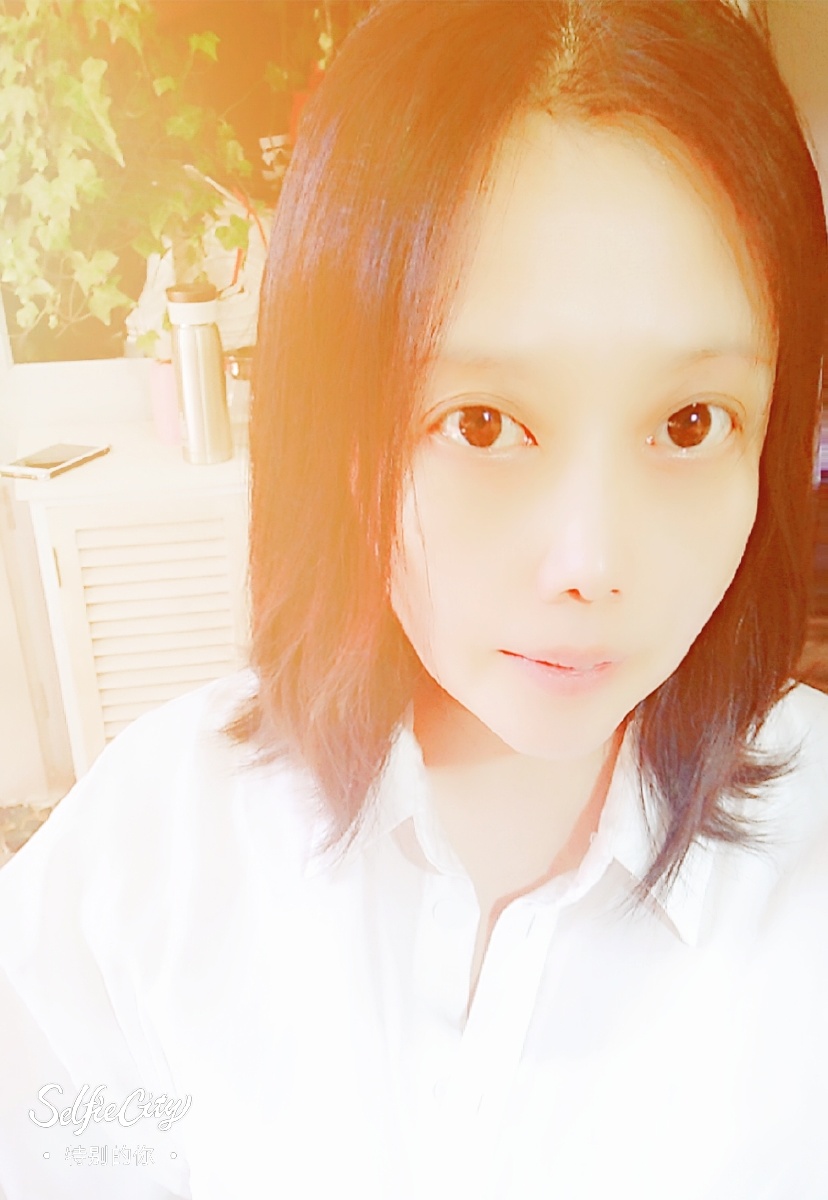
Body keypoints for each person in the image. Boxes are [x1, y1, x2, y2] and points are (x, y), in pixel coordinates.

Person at [1, 2, 827, 1197]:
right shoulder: (147, 863)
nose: (592, 561)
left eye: (691, 423)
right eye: (481, 423)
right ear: (340, 428)